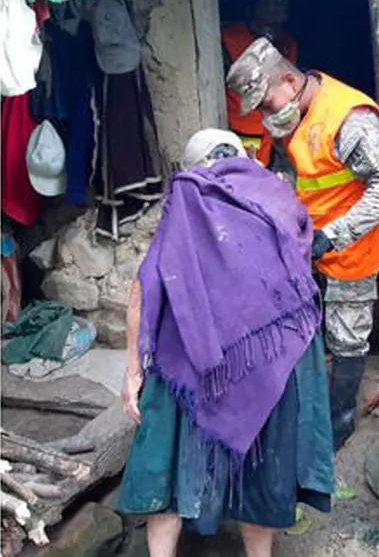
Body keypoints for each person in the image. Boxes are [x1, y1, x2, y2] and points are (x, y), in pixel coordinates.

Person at [116, 129, 334, 557]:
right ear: (243, 157)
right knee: (261, 467)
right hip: (271, 365)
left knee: (168, 465)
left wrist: (133, 372)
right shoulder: (279, 198)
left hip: (191, 361)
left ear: (194, 165)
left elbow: (145, 289)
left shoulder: (187, 198)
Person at [226, 37, 379, 450]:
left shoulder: (348, 117)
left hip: (354, 247)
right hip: (311, 243)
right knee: (305, 323)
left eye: (267, 104)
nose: (267, 115)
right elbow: (308, 177)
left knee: (348, 338)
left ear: (288, 79)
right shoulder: (299, 115)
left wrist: (333, 235)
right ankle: (308, 405)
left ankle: (338, 426)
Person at [222, 0, 298, 167]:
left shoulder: (288, 44)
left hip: (275, 134)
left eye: (282, 3)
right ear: (256, 4)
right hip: (239, 129)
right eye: (272, 1)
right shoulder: (229, 37)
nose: (278, 8)